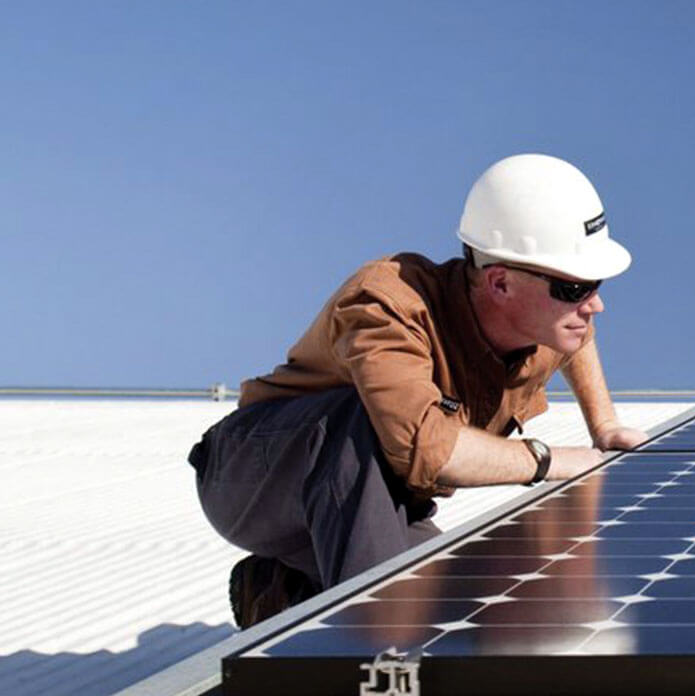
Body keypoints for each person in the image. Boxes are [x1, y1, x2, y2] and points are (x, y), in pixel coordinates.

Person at [187, 154, 649, 628]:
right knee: (391, 608)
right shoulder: (388, 304)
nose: (594, 304)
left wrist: (604, 424)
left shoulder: (548, 320)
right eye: (575, 288)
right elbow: (426, 446)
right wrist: (545, 460)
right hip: (254, 478)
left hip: (369, 501)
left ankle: (279, 590)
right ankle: (363, 650)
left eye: (594, 284)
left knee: (480, 602)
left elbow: (578, 338)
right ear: (500, 282)